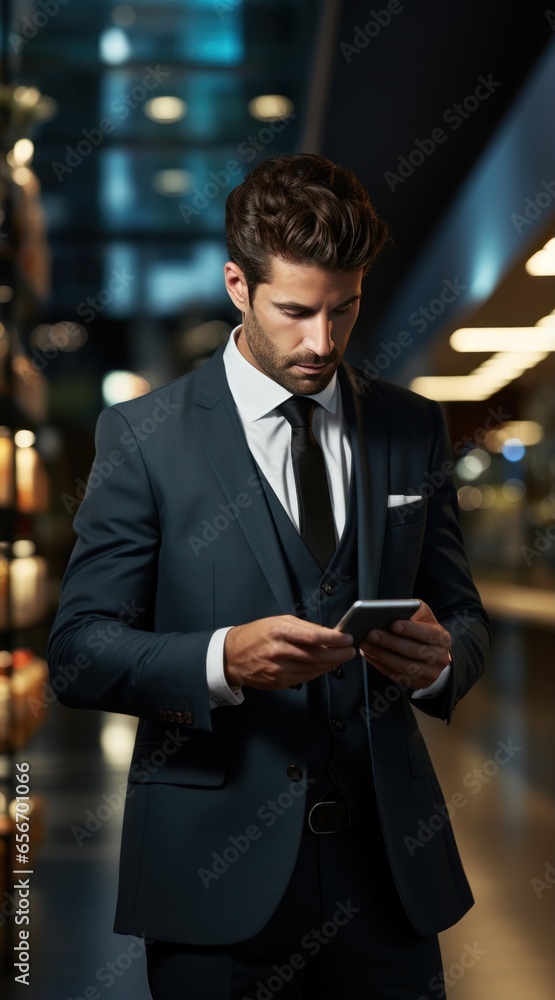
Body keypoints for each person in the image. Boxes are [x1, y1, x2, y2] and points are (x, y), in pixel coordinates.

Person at [47, 152, 491, 999]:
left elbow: (465, 618)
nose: (322, 341)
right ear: (237, 286)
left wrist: (441, 661)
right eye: (295, 311)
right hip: (211, 885)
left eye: (344, 309)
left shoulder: (411, 428)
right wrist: (219, 660)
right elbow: (77, 651)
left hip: (390, 882)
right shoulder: (145, 438)